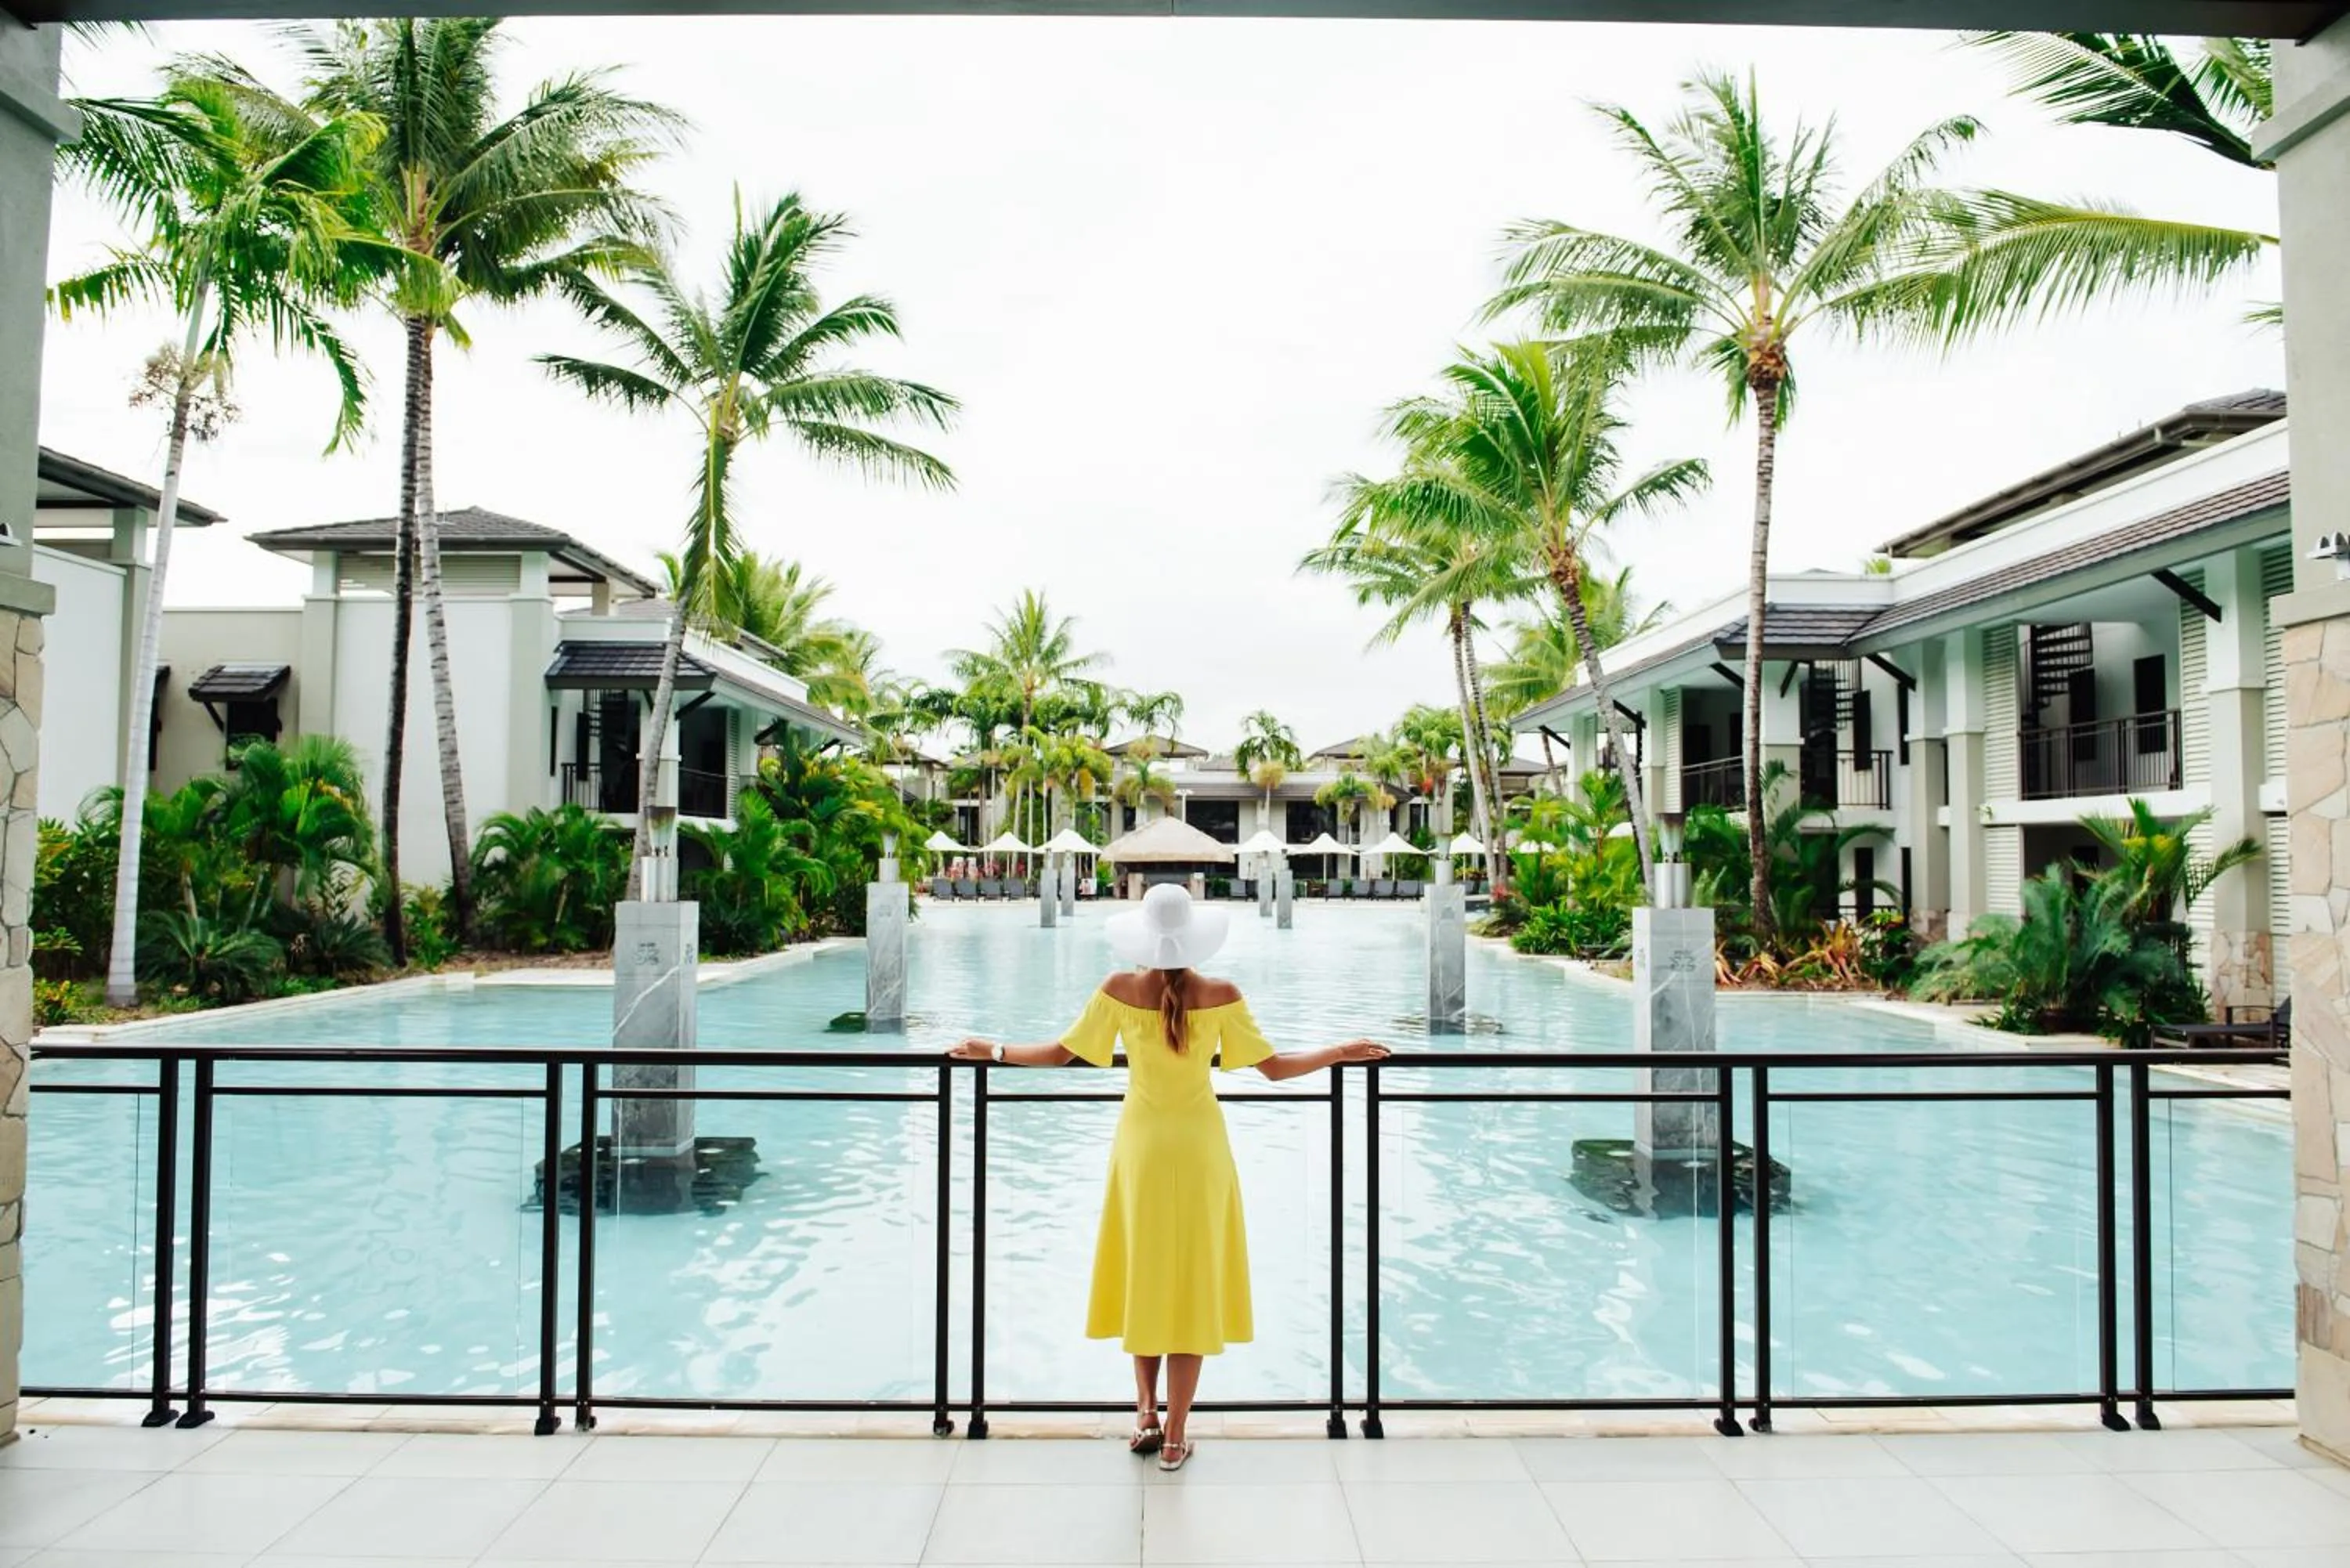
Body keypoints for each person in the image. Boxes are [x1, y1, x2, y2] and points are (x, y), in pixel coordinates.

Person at [949, 882, 1388, 1471]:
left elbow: (1061, 1055)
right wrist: (1341, 1050)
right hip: (1202, 1151)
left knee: (1146, 1276)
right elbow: (1276, 1070)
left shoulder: (1119, 989)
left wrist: (993, 1051)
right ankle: (1177, 1436)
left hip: (1142, 1151)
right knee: (1191, 1286)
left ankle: (1145, 1416)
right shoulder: (1222, 993)